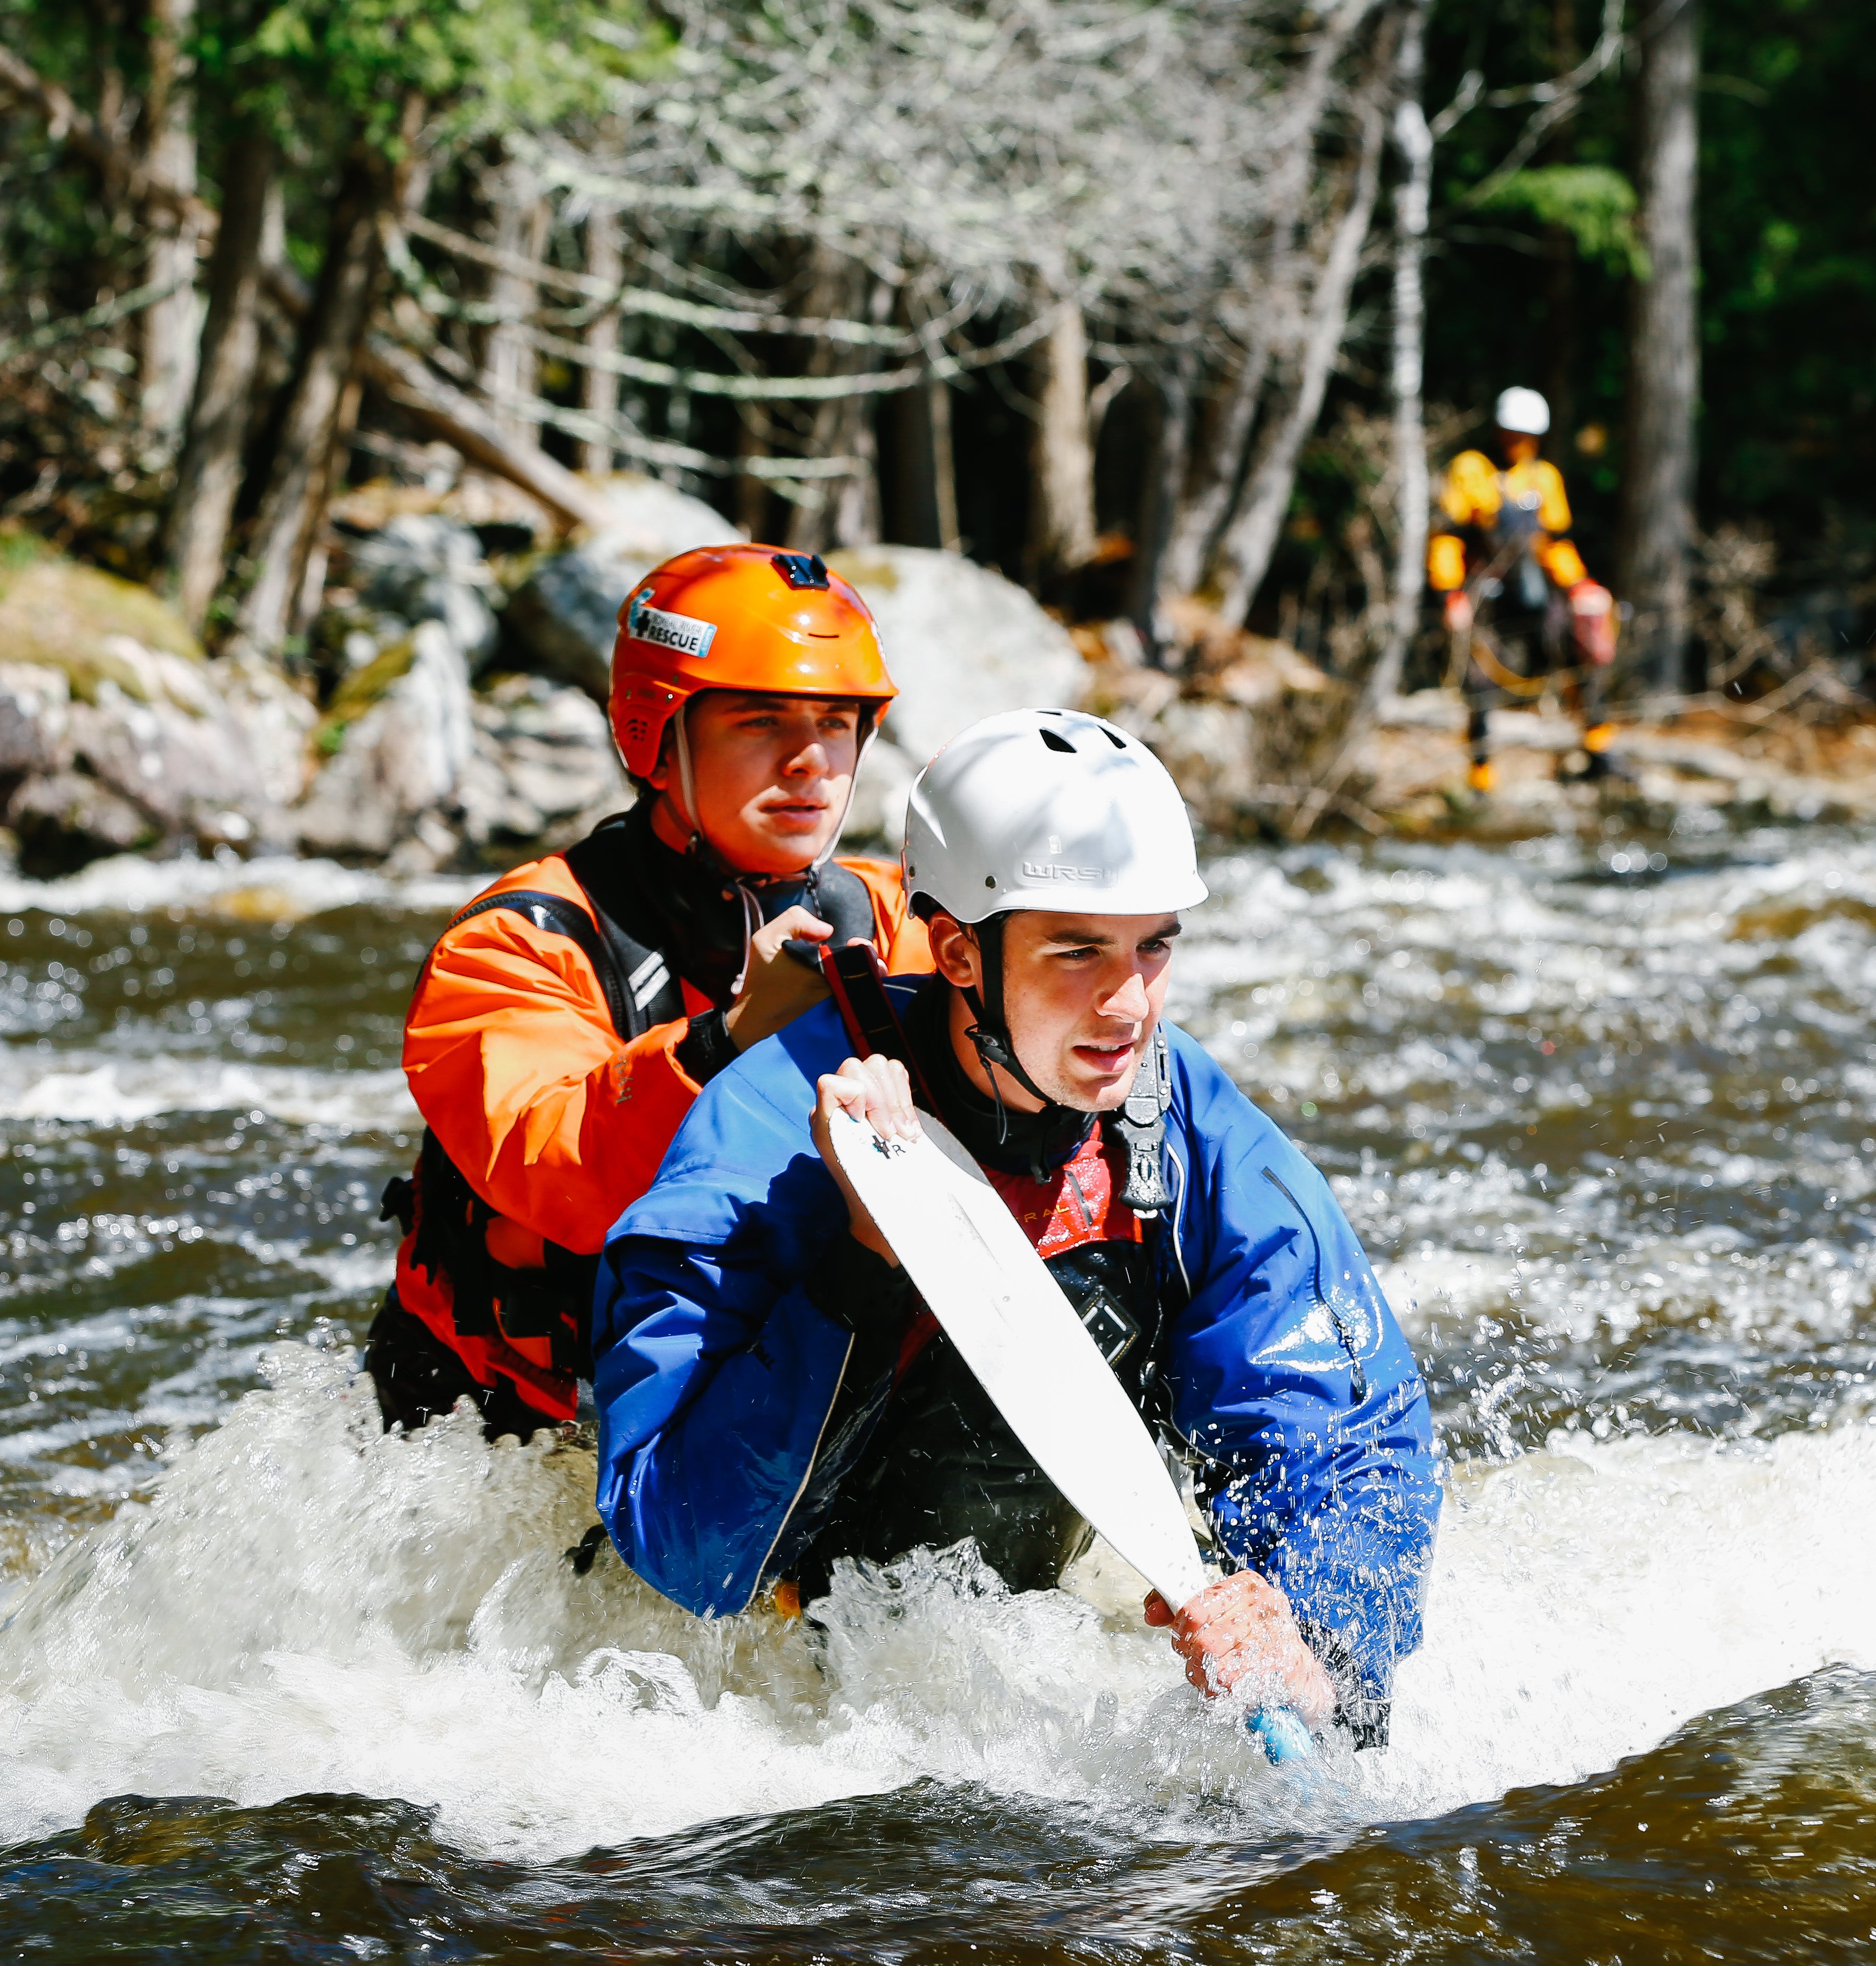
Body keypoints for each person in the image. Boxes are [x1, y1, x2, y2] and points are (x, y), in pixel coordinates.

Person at [591, 709, 1442, 1747]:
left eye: (1154, 949)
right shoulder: (764, 1127)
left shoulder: (1188, 1132)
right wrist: (865, 1264)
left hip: (1012, 1662)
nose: (1130, 1006)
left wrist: (1318, 1640)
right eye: (1078, 953)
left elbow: (1349, 1445)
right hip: (771, 1700)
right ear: (955, 951)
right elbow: (690, 1562)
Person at [365, 543, 930, 1445]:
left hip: (745, 1392)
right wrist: (728, 1039)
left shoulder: (892, 915)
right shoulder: (518, 942)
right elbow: (558, 1176)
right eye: (759, 722)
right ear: (653, 736)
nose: (811, 761)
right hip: (497, 1426)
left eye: (836, 721)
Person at [1427, 384, 1621, 792]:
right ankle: (1480, 775)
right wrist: (1451, 595)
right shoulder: (1471, 469)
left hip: (1534, 592)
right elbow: (1448, 538)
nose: (1519, 443)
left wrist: (1581, 586)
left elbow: (1557, 545)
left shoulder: (1543, 477)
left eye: (1526, 435)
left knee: (1581, 652)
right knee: (1479, 685)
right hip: (1484, 597)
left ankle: (1598, 749)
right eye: (1512, 433)